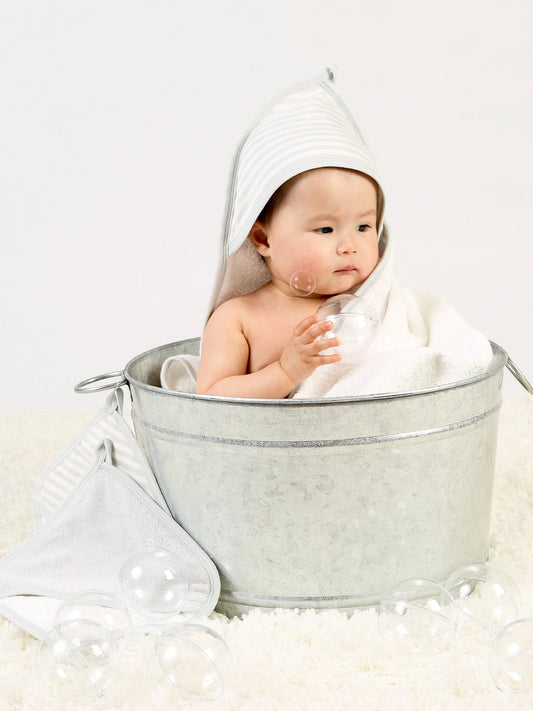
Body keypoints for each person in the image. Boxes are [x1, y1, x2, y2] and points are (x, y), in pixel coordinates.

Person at [195, 166, 380, 398]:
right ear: (264, 239)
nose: (350, 247)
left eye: (363, 227)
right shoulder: (238, 318)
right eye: (325, 229)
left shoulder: (380, 305)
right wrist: (285, 372)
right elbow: (210, 396)